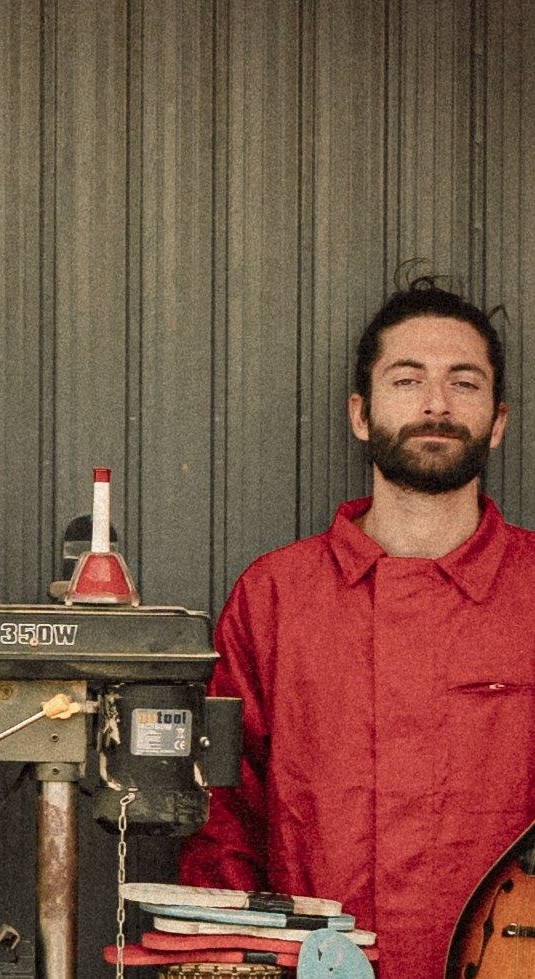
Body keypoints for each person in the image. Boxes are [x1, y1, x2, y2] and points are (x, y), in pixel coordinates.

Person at [179, 277, 535, 978]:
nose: (436, 403)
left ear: (497, 421)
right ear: (360, 414)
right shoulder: (276, 596)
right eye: (407, 379)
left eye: (463, 382)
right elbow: (222, 820)